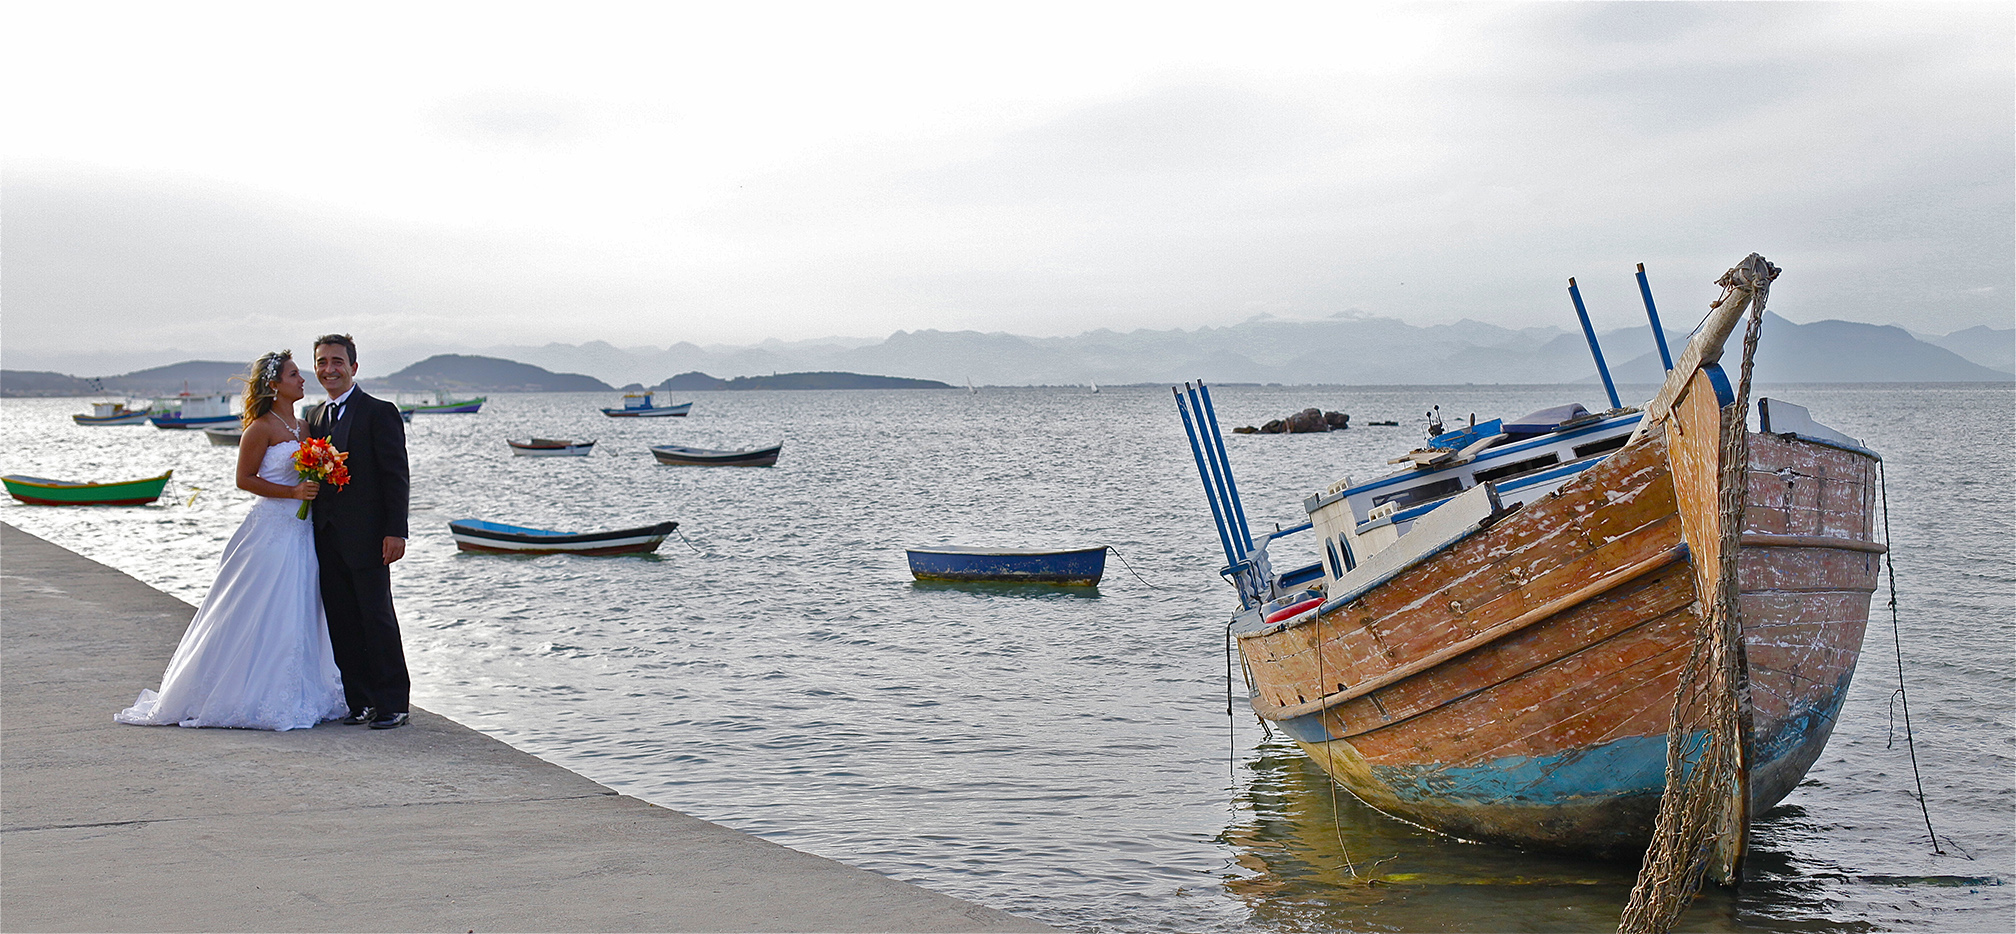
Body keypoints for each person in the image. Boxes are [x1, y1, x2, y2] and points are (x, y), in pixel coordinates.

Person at [117, 352, 349, 730]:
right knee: (262, 603)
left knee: (300, 603)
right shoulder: (260, 428)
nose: (303, 380)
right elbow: (244, 480)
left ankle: (300, 690)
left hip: (301, 530)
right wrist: (292, 495)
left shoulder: (305, 426)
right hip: (271, 529)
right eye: (294, 375)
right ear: (275, 385)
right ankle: (245, 691)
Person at [307, 334, 413, 730]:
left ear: (353, 367)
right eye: (321, 362)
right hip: (326, 535)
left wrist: (395, 531)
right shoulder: (315, 416)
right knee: (342, 620)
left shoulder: (378, 412)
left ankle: (393, 702)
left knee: (377, 617)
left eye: (337, 361)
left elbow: (395, 475)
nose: (329, 369)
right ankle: (360, 700)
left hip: (369, 537)